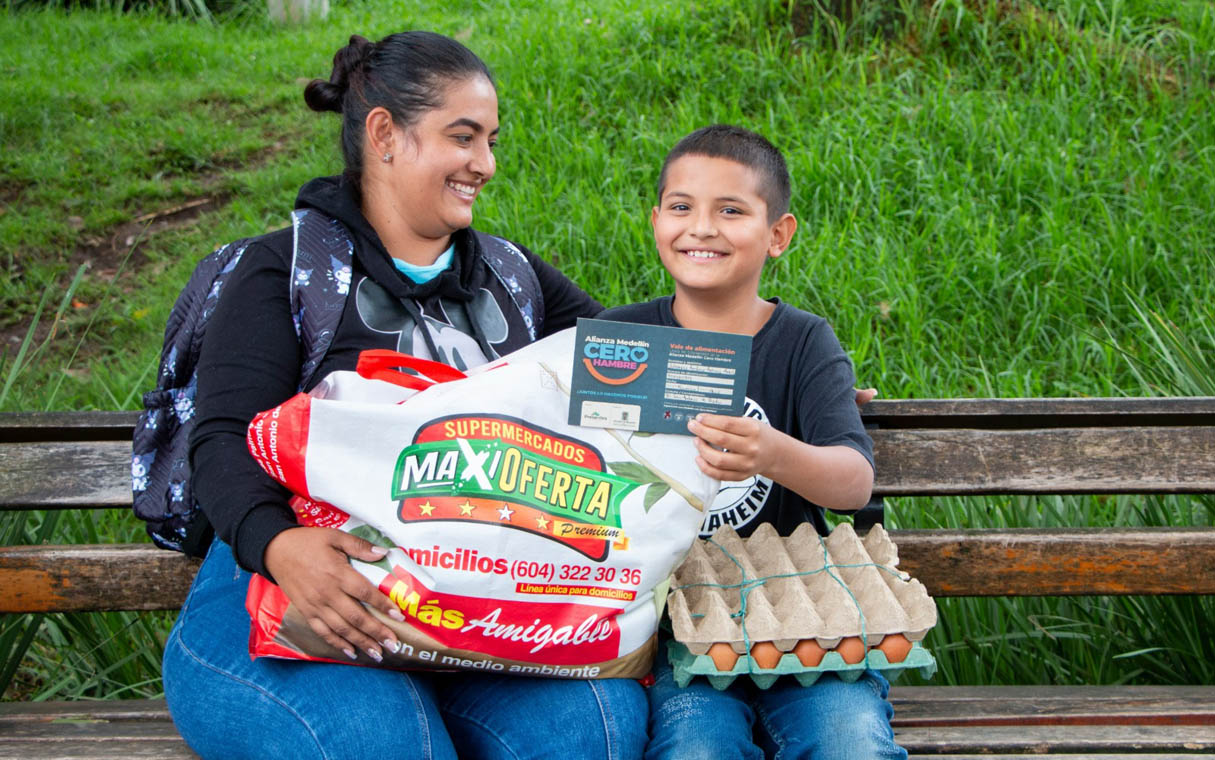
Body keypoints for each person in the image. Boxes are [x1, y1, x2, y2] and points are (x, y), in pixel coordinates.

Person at [161, 31, 647, 760]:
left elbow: (638, 368)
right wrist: (280, 545)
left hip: (476, 603)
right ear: (384, 133)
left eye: (489, 140)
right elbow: (221, 439)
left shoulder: (513, 278)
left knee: (592, 728)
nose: (485, 164)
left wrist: (783, 379)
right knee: (385, 741)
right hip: (287, 591)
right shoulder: (283, 272)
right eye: (463, 137)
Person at [599, 124, 905, 759]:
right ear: (656, 220)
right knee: (695, 750)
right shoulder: (620, 341)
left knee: (851, 744)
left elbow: (853, 483)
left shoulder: (803, 343)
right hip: (678, 635)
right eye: (681, 207)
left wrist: (773, 452)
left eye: (730, 210)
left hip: (811, 632)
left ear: (778, 235)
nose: (701, 228)